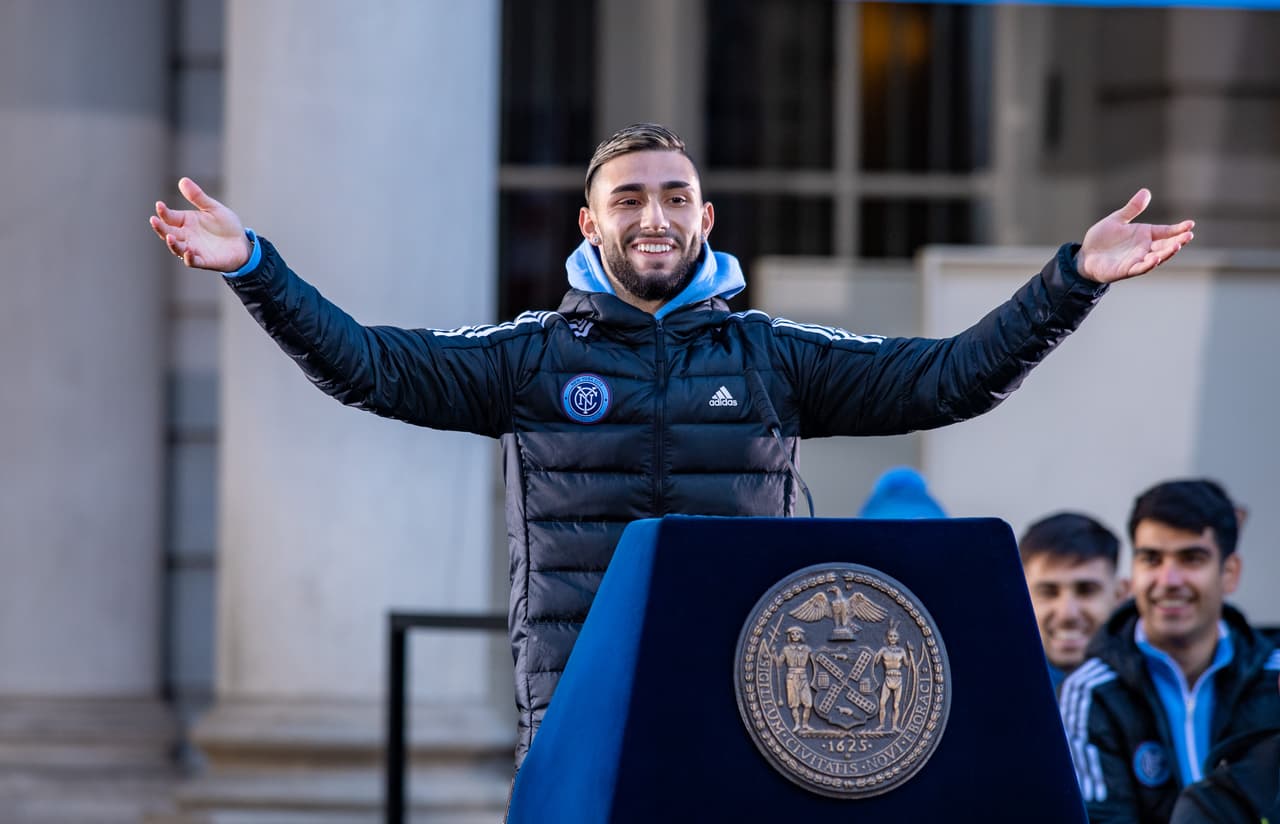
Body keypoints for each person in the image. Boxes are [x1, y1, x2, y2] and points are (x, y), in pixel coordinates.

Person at [150, 123, 1195, 767]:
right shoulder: (529, 357)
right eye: (629, 198)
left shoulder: (771, 354)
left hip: (753, 692)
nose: (654, 216)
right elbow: (368, 366)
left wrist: (1072, 280)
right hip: (579, 696)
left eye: (674, 196)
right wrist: (254, 267)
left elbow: (949, 377)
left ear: (704, 215)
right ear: (589, 222)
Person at [1059, 479, 1280, 823]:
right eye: (1151, 559)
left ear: (1229, 573)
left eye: (1191, 558)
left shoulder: (1273, 677)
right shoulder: (1089, 693)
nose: (1169, 580)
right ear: (1133, 573)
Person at [1019, 512, 1127, 692]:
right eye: (1048, 592)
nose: (1067, 614)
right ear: (1020, 597)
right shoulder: (988, 688)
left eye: (1086, 590)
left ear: (1120, 595)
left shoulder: (1153, 687)